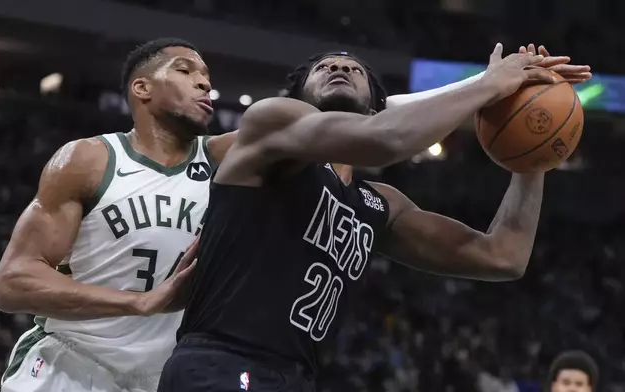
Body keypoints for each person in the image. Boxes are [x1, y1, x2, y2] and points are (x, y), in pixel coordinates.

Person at [157, 44, 591, 391]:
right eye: (324, 67)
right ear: (298, 97)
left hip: (295, 376)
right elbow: (389, 139)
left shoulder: (378, 203)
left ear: (373, 105)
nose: (339, 69)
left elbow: (503, 256)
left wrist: (533, 153)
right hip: (222, 360)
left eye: (355, 70)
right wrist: (490, 85)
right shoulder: (271, 127)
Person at [0, 38, 235, 392]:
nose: (205, 83)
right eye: (185, 71)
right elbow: (13, 281)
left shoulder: (224, 159)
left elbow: (306, 137)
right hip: (69, 365)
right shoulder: (90, 159)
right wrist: (142, 303)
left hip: (157, 379)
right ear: (142, 88)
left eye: (206, 76)